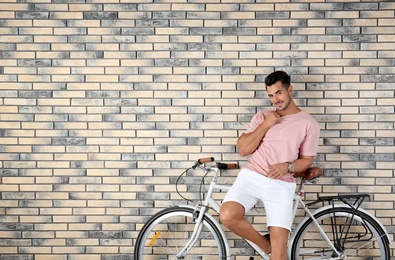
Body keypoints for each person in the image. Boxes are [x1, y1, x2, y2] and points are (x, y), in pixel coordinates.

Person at [219, 71, 320, 260]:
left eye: (279, 93)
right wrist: (266, 124)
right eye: (271, 95)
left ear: (290, 89)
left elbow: (307, 160)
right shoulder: (263, 116)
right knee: (227, 215)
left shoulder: (309, 124)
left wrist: (287, 167)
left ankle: (274, 248)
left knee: (280, 255)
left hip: (281, 184)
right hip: (251, 177)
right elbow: (243, 149)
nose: (275, 99)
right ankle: (266, 245)